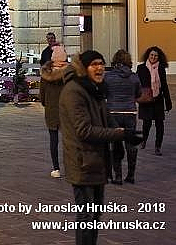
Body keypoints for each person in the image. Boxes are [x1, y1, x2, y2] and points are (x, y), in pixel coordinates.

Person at [59, 50, 140, 245]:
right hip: (83, 162)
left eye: (101, 64)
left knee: (95, 216)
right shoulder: (74, 91)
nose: (99, 68)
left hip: (96, 161)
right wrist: (120, 134)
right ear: (84, 68)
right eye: (94, 64)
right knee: (87, 217)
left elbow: (106, 117)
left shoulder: (94, 89)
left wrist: (124, 132)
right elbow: (84, 131)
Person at [104, 49, 142, 183]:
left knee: (116, 144)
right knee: (131, 143)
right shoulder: (134, 77)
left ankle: (118, 176)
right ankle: (131, 175)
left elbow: (104, 93)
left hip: (113, 113)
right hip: (130, 112)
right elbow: (138, 94)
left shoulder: (108, 77)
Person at [137, 45, 172, 155]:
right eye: (152, 55)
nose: (153, 57)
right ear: (148, 55)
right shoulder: (141, 68)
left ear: (159, 57)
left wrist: (168, 101)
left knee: (159, 124)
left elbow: (164, 85)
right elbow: (137, 84)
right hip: (147, 99)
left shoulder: (161, 68)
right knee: (146, 124)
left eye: (156, 56)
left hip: (158, 99)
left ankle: (158, 147)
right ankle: (144, 140)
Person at [39, 44, 68, 178]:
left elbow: (42, 96)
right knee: (69, 140)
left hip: (51, 110)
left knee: (53, 139)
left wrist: (47, 103)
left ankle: (56, 168)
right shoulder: (70, 74)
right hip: (67, 111)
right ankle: (70, 167)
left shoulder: (46, 74)